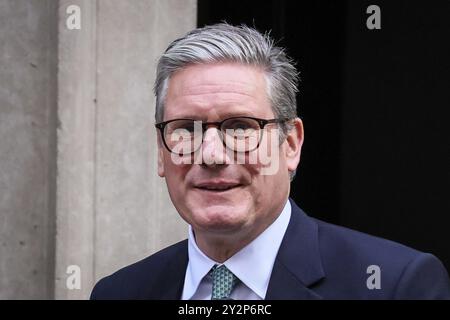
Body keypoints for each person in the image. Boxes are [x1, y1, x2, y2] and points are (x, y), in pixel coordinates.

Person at [90, 23, 450, 300]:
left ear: (291, 144)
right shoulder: (120, 292)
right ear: (161, 150)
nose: (212, 154)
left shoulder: (394, 285)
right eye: (186, 128)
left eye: (241, 127)